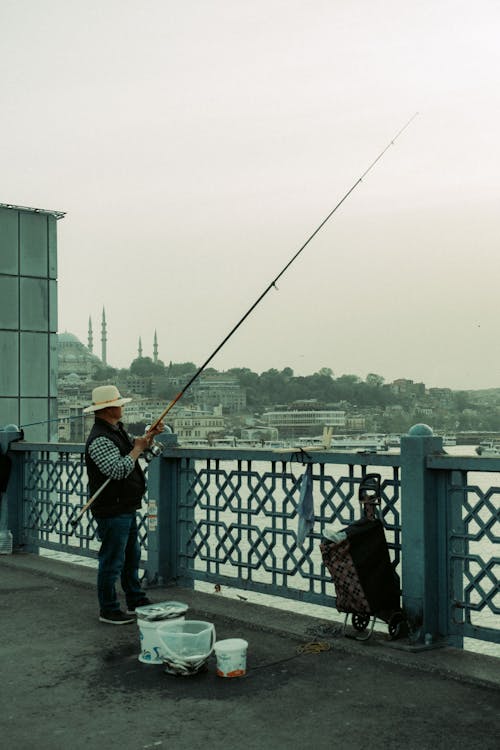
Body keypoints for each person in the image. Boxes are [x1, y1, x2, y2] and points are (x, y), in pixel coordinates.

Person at [83, 384, 164, 624]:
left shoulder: (117, 431)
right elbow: (117, 470)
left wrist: (149, 438)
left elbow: (142, 451)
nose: (122, 407)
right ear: (108, 409)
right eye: (119, 404)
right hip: (111, 509)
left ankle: (135, 599)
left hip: (125, 506)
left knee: (131, 556)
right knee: (112, 560)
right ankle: (108, 609)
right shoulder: (99, 439)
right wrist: (137, 448)